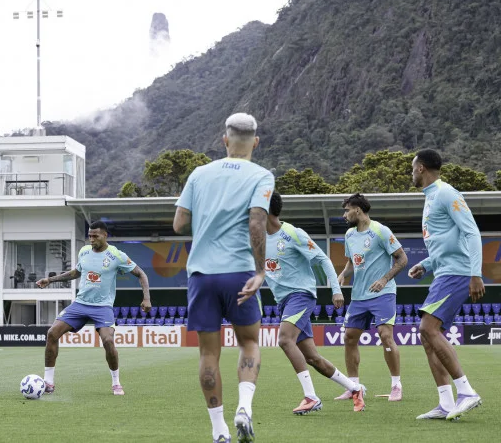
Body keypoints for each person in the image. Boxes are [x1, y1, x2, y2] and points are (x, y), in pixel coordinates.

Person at [173, 112, 274, 443]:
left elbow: (178, 224)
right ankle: (244, 407)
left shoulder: (199, 174)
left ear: (224, 140)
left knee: (208, 355)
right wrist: (261, 271)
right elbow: (257, 222)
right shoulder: (262, 176)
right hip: (239, 273)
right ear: (255, 142)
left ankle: (219, 431)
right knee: (249, 342)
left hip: (202, 274)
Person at [264, 192, 366, 414]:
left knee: (284, 339)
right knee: (312, 357)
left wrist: (336, 290)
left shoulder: (292, 234)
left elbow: (322, 259)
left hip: (300, 295)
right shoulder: (256, 239)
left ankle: (311, 397)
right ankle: (355, 388)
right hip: (283, 301)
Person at [409, 149, 484, 421]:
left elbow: (471, 232)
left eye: (412, 167)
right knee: (428, 337)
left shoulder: (446, 193)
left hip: (458, 272)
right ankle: (446, 403)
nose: (411, 172)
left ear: (420, 169)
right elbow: (446, 242)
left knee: (427, 327)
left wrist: (476, 274)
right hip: (443, 272)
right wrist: (426, 264)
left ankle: (466, 392)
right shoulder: (430, 198)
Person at [36, 220, 151, 396]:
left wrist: (146, 298)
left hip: (102, 307)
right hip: (80, 304)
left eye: (95, 236)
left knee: (108, 341)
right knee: (52, 333)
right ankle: (48, 382)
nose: (91, 239)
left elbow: (141, 274)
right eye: (89, 235)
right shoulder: (84, 251)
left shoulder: (117, 256)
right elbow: (76, 273)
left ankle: (116, 383)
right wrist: (50, 280)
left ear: (105, 235)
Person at [336, 194, 407, 402]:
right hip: (359, 296)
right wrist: (342, 274)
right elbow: (351, 264)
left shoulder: (380, 231)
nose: (345, 214)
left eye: (347, 210)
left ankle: (396, 386)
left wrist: (384, 279)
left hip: (382, 293)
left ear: (358, 210)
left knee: (386, 336)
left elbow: (402, 259)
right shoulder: (349, 235)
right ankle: (353, 387)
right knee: (349, 337)